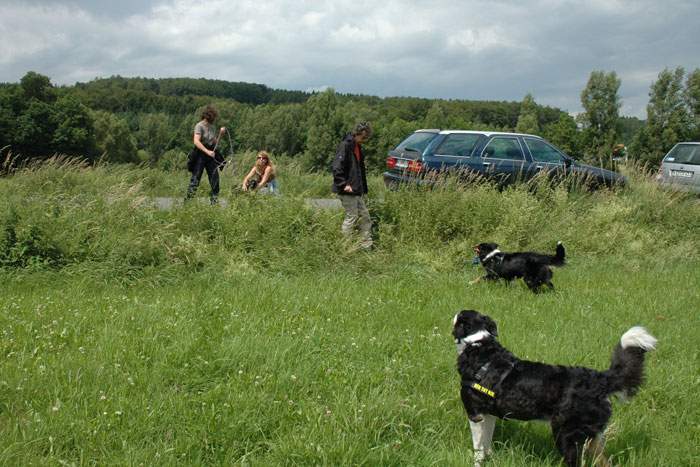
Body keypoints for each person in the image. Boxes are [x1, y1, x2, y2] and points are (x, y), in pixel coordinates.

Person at [331, 121, 373, 250]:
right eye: (363, 136)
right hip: (347, 189)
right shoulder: (345, 145)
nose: (365, 139)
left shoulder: (357, 147)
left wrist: (363, 189)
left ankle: (366, 245)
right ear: (357, 133)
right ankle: (345, 246)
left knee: (365, 216)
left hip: (356, 189)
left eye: (366, 137)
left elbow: (359, 171)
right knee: (352, 216)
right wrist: (344, 184)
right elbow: (336, 167)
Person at [185, 105, 226, 204]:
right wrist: (207, 151)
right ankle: (188, 203)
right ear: (209, 116)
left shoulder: (212, 127)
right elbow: (196, 141)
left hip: (210, 155)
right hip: (200, 155)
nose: (214, 119)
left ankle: (214, 202)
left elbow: (215, 143)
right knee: (196, 179)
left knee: (215, 178)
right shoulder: (199, 126)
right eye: (214, 117)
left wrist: (221, 134)